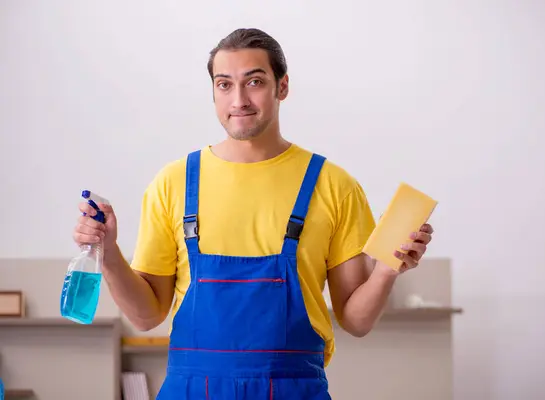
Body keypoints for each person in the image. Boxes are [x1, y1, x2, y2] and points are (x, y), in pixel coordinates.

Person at [73, 28, 434, 399]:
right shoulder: (174, 182)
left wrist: (388, 270)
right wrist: (110, 253)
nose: (239, 100)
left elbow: (356, 321)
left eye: (255, 82)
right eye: (224, 84)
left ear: (283, 87)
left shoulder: (334, 186)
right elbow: (147, 316)